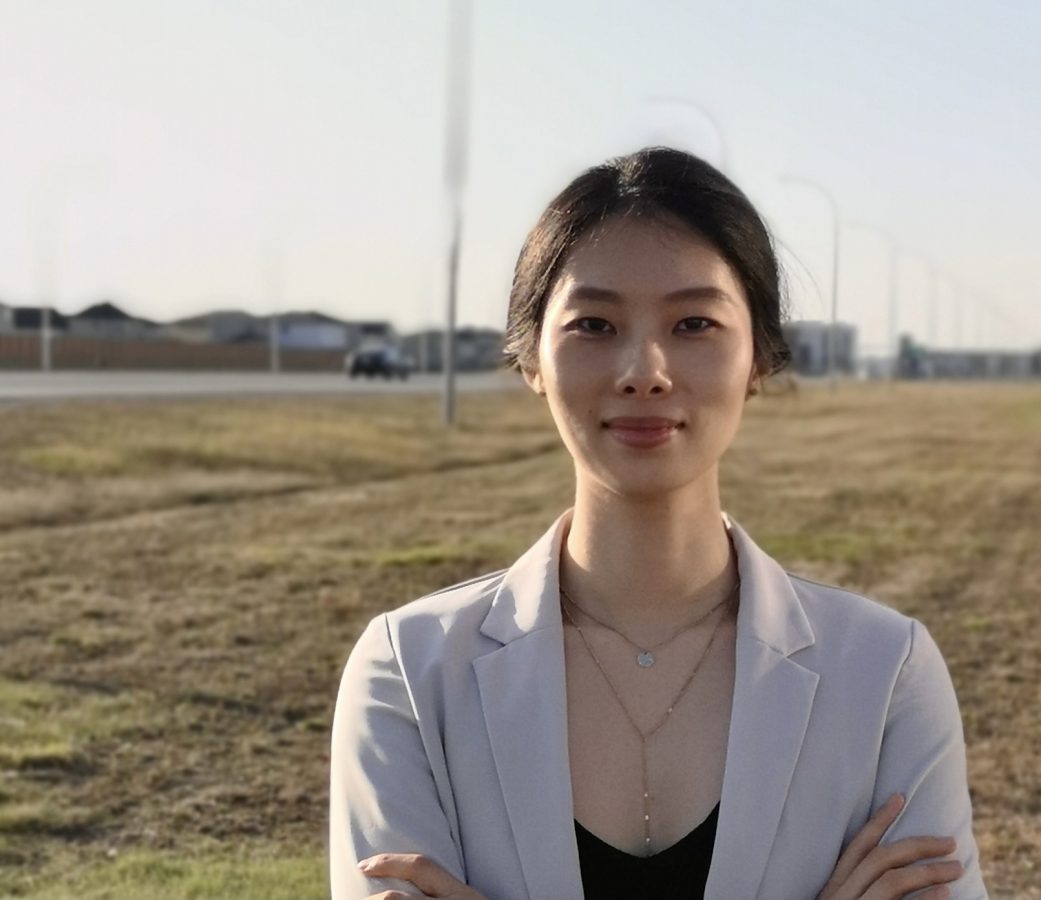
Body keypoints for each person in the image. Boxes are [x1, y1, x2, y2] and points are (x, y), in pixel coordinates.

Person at [329, 147, 987, 900]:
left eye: (694, 323)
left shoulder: (885, 674)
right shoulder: (409, 675)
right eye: (596, 324)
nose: (645, 369)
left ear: (759, 359)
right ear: (531, 359)